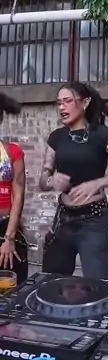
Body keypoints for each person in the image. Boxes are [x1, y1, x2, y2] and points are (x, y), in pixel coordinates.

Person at [39, 82, 108, 278]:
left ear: (85, 103)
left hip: (93, 219)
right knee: (51, 280)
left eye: (67, 101)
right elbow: (43, 179)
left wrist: (98, 183)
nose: (62, 107)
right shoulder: (56, 137)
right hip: (63, 219)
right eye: (59, 103)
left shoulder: (103, 135)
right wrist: (51, 181)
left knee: (98, 282)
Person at [0, 93, 28, 284]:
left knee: (11, 289)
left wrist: (9, 238)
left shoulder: (11, 152)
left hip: (6, 227)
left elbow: (18, 195)